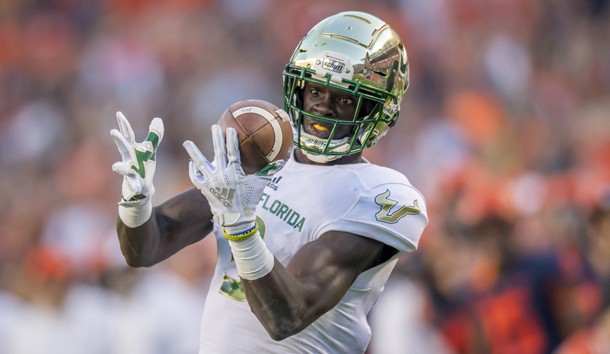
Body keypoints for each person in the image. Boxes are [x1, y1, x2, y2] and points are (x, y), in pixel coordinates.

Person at [110, 11, 428, 353]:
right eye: (316, 90)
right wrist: (135, 203)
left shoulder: (382, 195)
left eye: (347, 99)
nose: (325, 107)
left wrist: (240, 227)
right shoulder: (258, 162)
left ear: (376, 112)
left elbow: (287, 316)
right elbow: (146, 249)